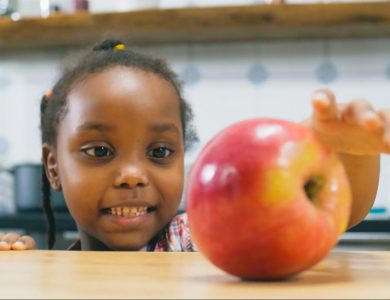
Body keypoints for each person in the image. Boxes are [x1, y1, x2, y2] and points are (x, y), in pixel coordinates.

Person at [0, 39, 389, 251]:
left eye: (159, 152)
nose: (133, 176)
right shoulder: (53, 266)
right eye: (100, 151)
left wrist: (351, 151)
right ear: (52, 167)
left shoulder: (198, 236)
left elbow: (342, 210)